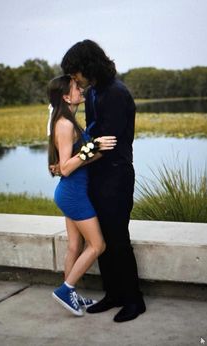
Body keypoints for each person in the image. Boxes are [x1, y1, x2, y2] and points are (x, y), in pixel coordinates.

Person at [60, 39, 146, 323]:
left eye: (75, 74)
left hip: (117, 175)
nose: (75, 80)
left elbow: (105, 144)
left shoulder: (117, 93)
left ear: (88, 66)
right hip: (96, 175)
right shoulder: (95, 91)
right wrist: (73, 159)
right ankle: (113, 294)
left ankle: (134, 300)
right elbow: (93, 139)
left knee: (118, 239)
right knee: (101, 239)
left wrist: (71, 165)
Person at [47, 75, 117, 317]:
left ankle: (71, 292)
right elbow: (66, 167)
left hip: (71, 192)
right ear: (67, 96)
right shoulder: (64, 125)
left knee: (75, 245)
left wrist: (99, 148)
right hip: (73, 195)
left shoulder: (69, 121)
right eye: (76, 87)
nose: (81, 88)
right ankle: (66, 290)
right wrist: (92, 148)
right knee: (98, 245)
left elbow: (74, 162)